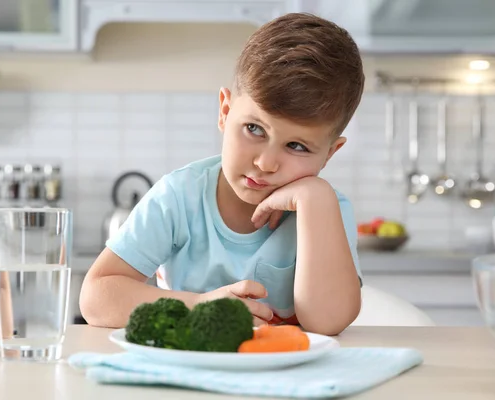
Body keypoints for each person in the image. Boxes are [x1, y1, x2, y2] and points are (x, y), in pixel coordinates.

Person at [79, 12, 365, 336]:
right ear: (225, 112)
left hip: (285, 382)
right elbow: (95, 298)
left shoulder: (327, 208)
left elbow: (328, 322)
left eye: (297, 146)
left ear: (330, 153)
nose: (266, 163)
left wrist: (316, 198)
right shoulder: (180, 196)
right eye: (254, 128)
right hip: (185, 379)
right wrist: (201, 306)